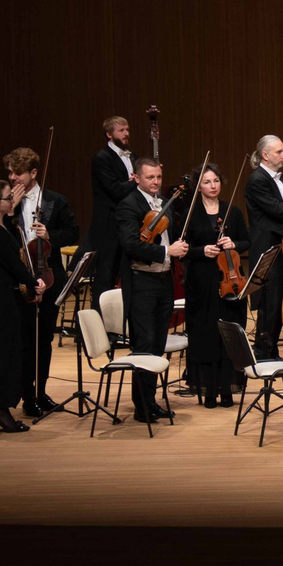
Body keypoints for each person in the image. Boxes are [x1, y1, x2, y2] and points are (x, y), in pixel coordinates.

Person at [4, 147, 78, 418]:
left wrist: (50, 234)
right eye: (9, 173)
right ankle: (26, 395)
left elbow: (72, 232)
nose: (12, 178)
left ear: (33, 173)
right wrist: (9, 210)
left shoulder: (55, 201)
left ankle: (40, 391)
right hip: (19, 279)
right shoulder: (5, 202)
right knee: (26, 340)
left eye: (17, 173)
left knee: (44, 339)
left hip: (48, 276)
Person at [113, 160, 188, 425]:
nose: (155, 182)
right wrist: (168, 251)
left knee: (157, 344)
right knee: (144, 346)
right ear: (137, 178)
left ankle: (151, 401)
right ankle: (142, 406)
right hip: (142, 282)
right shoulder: (129, 205)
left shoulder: (164, 202)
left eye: (158, 176)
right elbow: (131, 244)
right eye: (149, 177)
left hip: (164, 280)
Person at [180, 164, 250, 409]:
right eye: (207, 182)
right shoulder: (190, 213)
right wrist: (202, 251)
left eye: (216, 181)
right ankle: (209, 391)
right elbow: (182, 249)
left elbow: (246, 241)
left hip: (230, 281)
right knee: (206, 335)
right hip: (202, 282)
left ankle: (227, 390)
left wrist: (234, 244)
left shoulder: (233, 212)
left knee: (228, 336)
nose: (213, 186)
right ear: (198, 186)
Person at [0, 178, 42, 435]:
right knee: (7, 356)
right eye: (7, 198)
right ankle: (1, 410)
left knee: (13, 354)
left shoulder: (0, 225)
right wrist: (34, 282)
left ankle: (2, 407)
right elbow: (15, 265)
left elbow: (16, 249)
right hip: (2, 299)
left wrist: (12, 214)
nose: (12, 200)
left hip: (7, 297)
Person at [240, 134, 283, 359]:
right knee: (269, 302)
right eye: (279, 152)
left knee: (277, 301)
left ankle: (271, 351)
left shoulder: (274, 179)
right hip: (267, 249)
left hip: (278, 247)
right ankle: (263, 353)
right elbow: (278, 210)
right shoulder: (258, 180)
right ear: (265, 155)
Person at [88, 115, 138, 293]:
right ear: (109, 135)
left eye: (127, 129)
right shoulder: (102, 158)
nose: (126, 133)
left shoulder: (132, 156)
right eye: (121, 130)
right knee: (106, 276)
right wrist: (136, 181)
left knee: (126, 273)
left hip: (127, 223)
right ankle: (99, 318)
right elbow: (115, 190)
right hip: (109, 226)